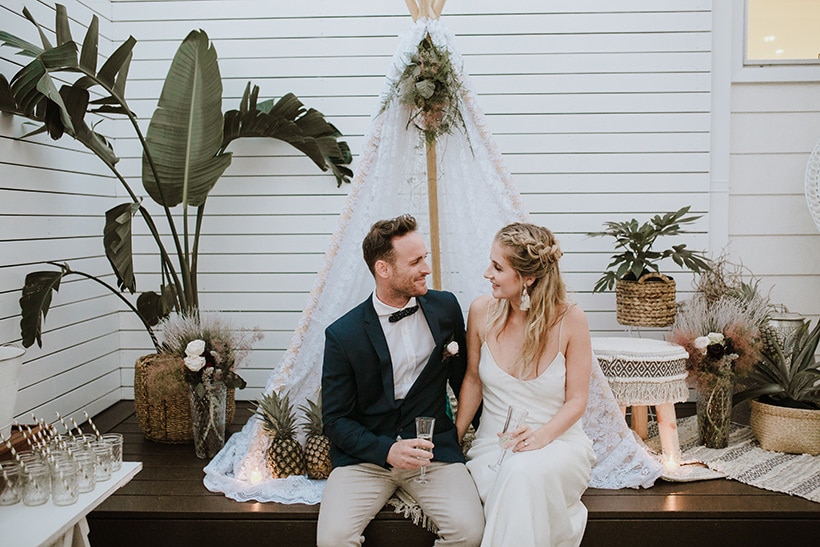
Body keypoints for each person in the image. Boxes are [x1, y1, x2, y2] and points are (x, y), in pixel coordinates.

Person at [318, 214, 485, 547]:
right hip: (365, 460)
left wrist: (488, 435)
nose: (427, 268)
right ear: (384, 269)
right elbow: (335, 420)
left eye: (425, 257)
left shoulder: (445, 308)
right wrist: (387, 450)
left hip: (433, 454)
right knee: (333, 540)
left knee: (470, 533)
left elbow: (467, 378)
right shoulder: (343, 335)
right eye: (416, 262)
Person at [455, 222, 596, 547]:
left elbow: (577, 400)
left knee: (522, 477)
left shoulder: (571, 320)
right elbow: (473, 380)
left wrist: (541, 435)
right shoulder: (481, 312)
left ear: (528, 278)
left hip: (556, 444)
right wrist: (454, 440)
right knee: (509, 481)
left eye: (497, 267)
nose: (487, 272)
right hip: (494, 447)